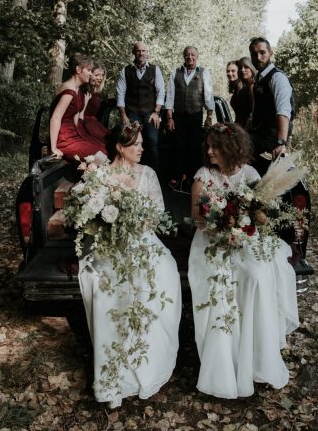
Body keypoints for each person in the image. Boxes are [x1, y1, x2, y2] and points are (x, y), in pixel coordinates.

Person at [188, 123, 299, 399]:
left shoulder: (249, 174)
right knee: (221, 282)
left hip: (245, 240)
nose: (210, 151)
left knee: (257, 275)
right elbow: (198, 219)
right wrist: (220, 229)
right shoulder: (203, 176)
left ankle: (257, 357)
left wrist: (242, 228)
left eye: (215, 146)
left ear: (230, 148)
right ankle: (226, 364)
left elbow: (259, 213)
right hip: (211, 243)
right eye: (208, 146)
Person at [78, 123, 182, 408]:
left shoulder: (147, 173)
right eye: (135, 144)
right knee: (105, 288)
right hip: (109, 245)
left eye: (141, 144)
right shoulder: (100, 174)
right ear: (119, 148)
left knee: (159, 277)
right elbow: (89, 216)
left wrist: (132, 224)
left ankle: (143, 367)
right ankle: (113, 379)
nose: (141, 148)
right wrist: (109, 226)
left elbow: (157, 214)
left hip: (141, 241)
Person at [165, 46, 214, 192]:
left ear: (197, 57)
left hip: (196, 115)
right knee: (179, 148)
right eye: (187, 55)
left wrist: (209, 116)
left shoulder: (204, 73)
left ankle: (192, 181)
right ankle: (178, 179)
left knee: (194, 149)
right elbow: (170, 98)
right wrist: (169, 118)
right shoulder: (176, 72)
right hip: (178, 116)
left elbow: (208, 97)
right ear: (184, 56)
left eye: (193, 55)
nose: (190, 57)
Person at [249, 37, 295, 176]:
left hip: (272, 138)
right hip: (259, 133)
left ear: (270, 53)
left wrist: (281, 143)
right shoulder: (259, 78)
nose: (258, 57)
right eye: (254, 54)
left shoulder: (277, 78)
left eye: (262, 52)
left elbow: (283, 112)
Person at [116, 41, 165, 171]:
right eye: (138, 51)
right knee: (130, 143)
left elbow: (161, 93)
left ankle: (153, 175)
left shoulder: (155, 70)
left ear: (147, 53)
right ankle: (131, 173)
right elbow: (120, 94)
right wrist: (123, 116)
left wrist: (156, 112)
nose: (141, 53)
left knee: (152, 142)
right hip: (131, 113)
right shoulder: (125, 71)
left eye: (143, 51)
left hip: (150, 113)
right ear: (134, 52)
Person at [49, 53, 107, 161]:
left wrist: (82, 136)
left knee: (102, 149)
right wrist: (53, 148)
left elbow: (75, 117)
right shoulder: (69, 91)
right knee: (100, 156)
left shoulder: (77, 90)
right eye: (88, 70)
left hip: (73, 133)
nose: (90, 74)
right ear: (78, 69)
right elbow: (55, 118)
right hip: (64, 138)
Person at [77, 61, 108, 145]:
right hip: (85, 123)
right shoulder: (84, 91)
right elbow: (80, 114)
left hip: (93, 123)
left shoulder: (95, 93)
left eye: (102, 75)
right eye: (97, 75)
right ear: (90, 75)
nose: (100, 78)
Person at [231, 56, 256, 129]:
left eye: (246, 67)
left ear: (252, 68)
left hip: (247, 130)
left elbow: (253, 113)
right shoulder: (244, 88)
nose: (242, 70)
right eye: (240, 67)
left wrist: (245, 130)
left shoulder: (252, 87)